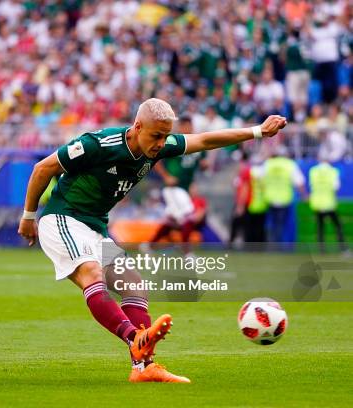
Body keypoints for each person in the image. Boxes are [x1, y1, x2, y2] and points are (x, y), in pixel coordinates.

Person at [18, 98, 287, 383]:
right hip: (63, 218)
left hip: (95, 227)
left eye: (166, 136)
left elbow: (205, 140)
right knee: (92, 274)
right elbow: (42, 169)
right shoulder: (98, 144)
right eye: (156, 136)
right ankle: (136, 338)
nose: (161, 143)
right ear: (137, 127)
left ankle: (143, 367)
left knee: (135, 286)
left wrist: (257, 131)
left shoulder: (158, 144)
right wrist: (27, 217)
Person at [263, 146, 306, 242]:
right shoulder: (290, 164)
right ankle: (280, 247)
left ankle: (274, 245)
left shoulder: (269, 163)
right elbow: (299, 182)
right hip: (284, 199)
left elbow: (260, 180)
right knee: (282, 224)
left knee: (273, 224)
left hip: (270, 198)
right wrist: (304, 196)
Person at [309, 153, 348, 254]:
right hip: (329, 203)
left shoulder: (313, 171)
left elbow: (311, 185)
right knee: (338, 226)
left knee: (320, 227)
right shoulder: (333, 171)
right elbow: (336, 187)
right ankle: (343, 248)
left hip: (317, 203)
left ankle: (321, 250)